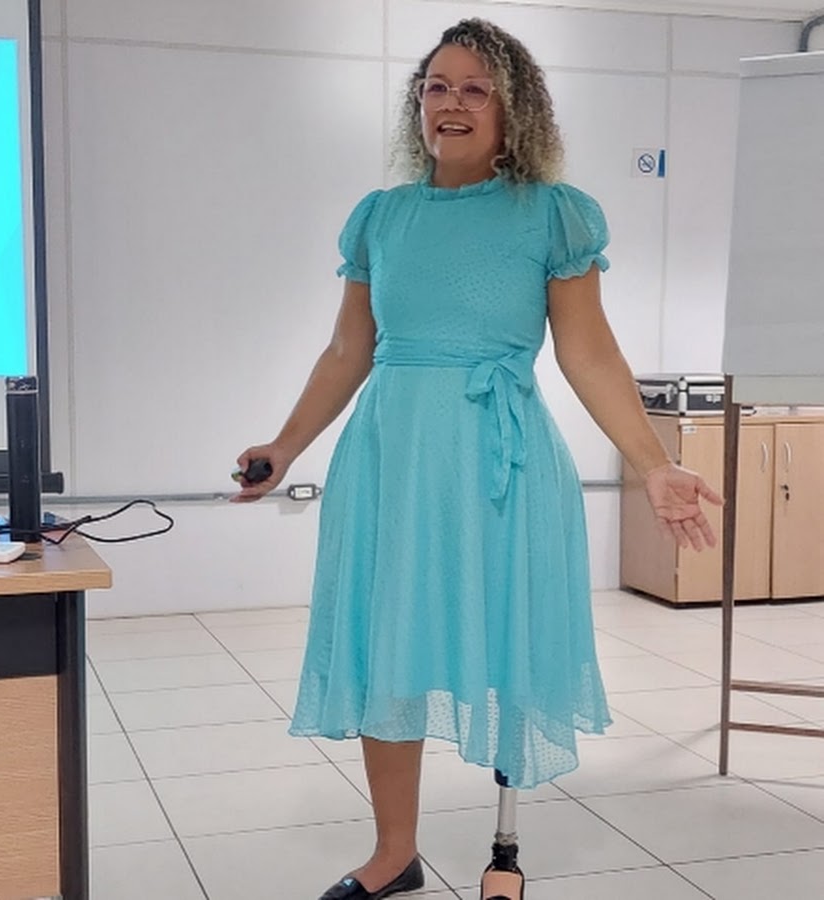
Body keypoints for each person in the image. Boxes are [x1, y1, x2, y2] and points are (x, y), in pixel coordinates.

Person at [234, 17, 722, 900]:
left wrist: (653, 462)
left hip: (502, 463)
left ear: (512, 109)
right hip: (390, 457)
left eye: (473, 89)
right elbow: (347, 350)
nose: (450, 104)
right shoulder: (381, 218)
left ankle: (505, 850)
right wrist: (284, 445)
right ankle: (395, 854)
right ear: (415, 104)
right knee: (388, 644)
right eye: (435, 87)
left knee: (505, 638)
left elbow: (589, 353)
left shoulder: (552, 214)